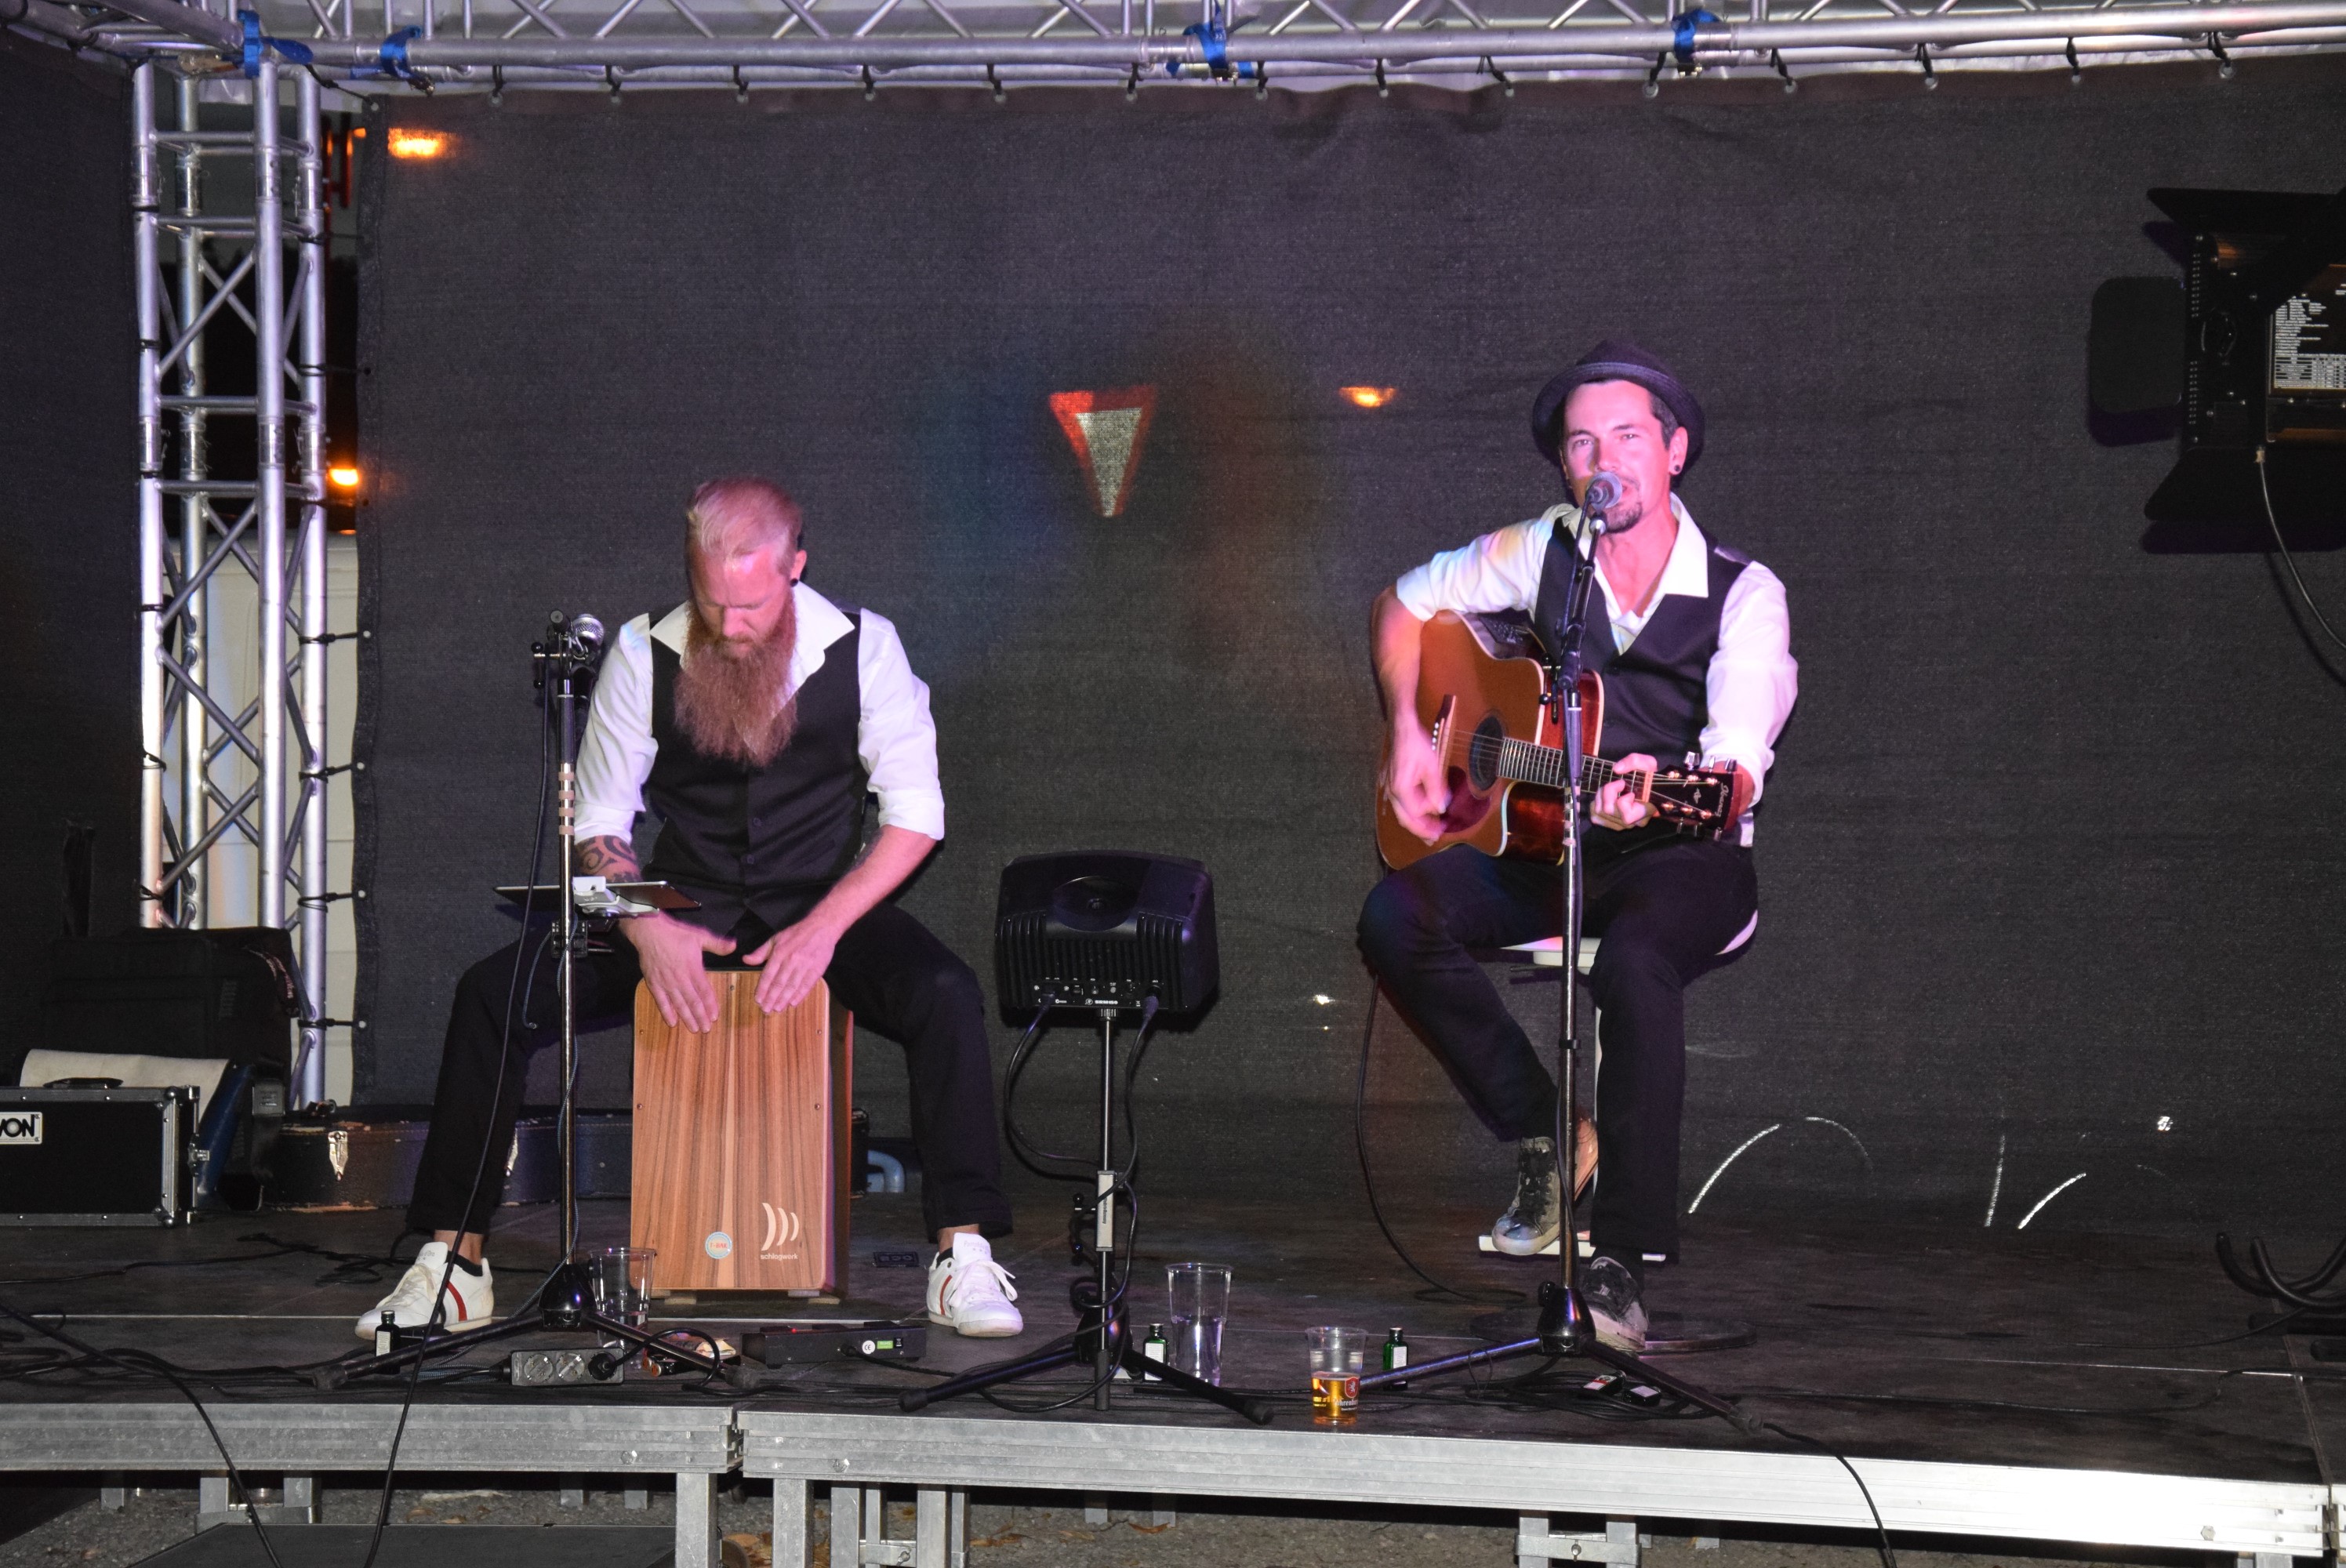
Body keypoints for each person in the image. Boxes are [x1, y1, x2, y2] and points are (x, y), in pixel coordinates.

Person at [358, 476, 1023, 1341]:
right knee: (494, 993)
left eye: (750, 605)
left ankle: (962, 1252)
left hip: (818, 902)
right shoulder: (644, 650)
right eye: (712, 603)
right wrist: (646, 929)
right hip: (681, 901)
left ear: (795, 566)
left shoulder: (866, 647)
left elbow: (915, 814)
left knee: (945, 992)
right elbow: (599, 822)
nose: (731, 625)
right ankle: (454, 1262)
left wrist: (826, 927)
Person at [1357, 340, 1796, 1353]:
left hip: (1684, 851)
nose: (1605, 459)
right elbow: (1401, 604)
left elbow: (1736, 755)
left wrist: (1685, 790)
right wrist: (1410, 738)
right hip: (1548, 842)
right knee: (1396, 914)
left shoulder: (1743, 591)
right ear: (1565, 465)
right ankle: (1552, 1135)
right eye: (1582, 442)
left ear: (1674, 452)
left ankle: (1622, 1259)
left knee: (1636, 963)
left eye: (1628, 437)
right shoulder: (1541, 550)